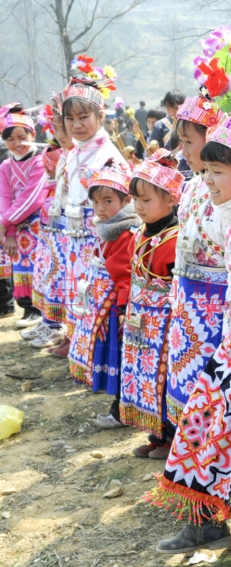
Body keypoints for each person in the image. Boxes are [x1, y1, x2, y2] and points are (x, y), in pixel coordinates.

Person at [149, 113, 231, 555]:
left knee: (218, 434)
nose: (206, 181)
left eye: (216, 172)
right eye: (204, 171)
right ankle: (208, 522)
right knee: (209, 432)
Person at [161, 97, 229, 429]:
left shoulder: (228, 189)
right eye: (182, 142)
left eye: (190, 142)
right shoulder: (191, 185)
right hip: (188, 297)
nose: (183, 150)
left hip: (216, 303)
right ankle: (183, 441)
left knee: (210, 378)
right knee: (185, 368)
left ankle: (206, 445)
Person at [55, 61, 126, 359]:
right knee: (75, 287)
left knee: (94, 290)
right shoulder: (75, 152)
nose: (77, 124)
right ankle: (74, 336)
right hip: (74, 235)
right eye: (70, 119)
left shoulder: (108, 155)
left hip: (97, 236)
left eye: (84, 117)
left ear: (100, 115)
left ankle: (93, 349)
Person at [118, 151, 181, 458]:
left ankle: (172, 438)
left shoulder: (175, 237)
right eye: (136, 200)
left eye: (146, 201)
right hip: (140, 318)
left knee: (164, 376)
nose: (138, 207)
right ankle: (156, 435)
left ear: (171, 200)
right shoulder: (142, 233)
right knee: (144, 373)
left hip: (164, 323)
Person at [71, 160, 140, 426]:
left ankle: (121, 411)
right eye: (96, 202)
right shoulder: (109, 230)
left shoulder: (125, 234)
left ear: (125, 201)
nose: (101, 208)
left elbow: (126, 278)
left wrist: (123, 310)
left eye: (108, 201)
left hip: (117, 313)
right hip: (106, 307)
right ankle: (121, 409)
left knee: (121, 359)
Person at [26, 98, 73, 349]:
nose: (60, 134)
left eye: (62, 127)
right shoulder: (64, 156)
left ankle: (64, 330)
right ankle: (57, 327)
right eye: (56, 128)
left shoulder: (84, 154)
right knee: (55, 277)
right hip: (55, 226)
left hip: (74, 230)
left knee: (69, 284)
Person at [0, 104, 46, 328]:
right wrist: (8, 231)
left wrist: (4, 222)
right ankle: (28, 308)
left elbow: (32, 198)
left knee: (39, 266)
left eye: (21, 137)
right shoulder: (6, 166)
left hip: (39, 224)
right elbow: (5, 197)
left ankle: (42, 310)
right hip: (16, 228)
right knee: (20, 265)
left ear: (33, 134)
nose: (16, 144)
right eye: (10, 139)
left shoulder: (40, 161)